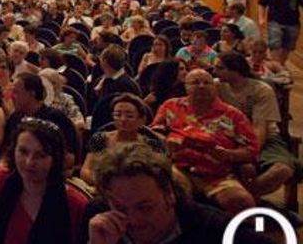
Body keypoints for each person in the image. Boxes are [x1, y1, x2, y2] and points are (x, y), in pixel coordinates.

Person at [88, 143, 273, 244]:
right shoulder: (99, 220)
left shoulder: (214, 228)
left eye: (145, 207)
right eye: (120, 208)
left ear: (169, 195)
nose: (133, 220)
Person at [0, 117, 87, 244]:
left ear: (55, 160)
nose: (29, 162)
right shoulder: (0, 179)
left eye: (41, 155)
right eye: (23, 152)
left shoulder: (75, 204)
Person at [150, 69, 258, 213]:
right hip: (179, 168)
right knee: (174, 191)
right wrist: (166, 141)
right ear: (186, 87)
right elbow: (153, 133)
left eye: (207, 82)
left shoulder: (232, 114)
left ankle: (254, 233)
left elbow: (252, 148)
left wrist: (229, 154)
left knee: (243, 202)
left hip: (217, 175)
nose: (201, 86)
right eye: (195, 82)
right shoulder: (171, 106)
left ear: (214, 87)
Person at [214, 52, 299, 198]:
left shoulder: (261, 90)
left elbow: (260, 129)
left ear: (235, 70)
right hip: (228, 138)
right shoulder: (216, 86)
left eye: (219, 68)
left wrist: (249, 155)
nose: (214, 71)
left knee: (282, 169)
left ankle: (245, 199)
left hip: (264, 139)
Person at [80, 94, 164, 185]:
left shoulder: (151, 144)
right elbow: (86, 170)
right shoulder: (100, 138)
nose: (123, 119)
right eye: (118, 115)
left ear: (142, 120)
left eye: (129, 116)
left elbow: (161, 173)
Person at [4, 72, 79, 165]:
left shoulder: (57, 119)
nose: (11, 97)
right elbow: (5, 151)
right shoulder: (15, 118)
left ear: (31, 93)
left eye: (16, 92)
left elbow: (70, 158)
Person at [257, 0, 303, 64]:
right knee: (275, 44)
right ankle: (275, 65)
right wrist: (261, 18)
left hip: (293, 23)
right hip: (274, 22)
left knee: (288, 46)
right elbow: (262, 5)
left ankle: (280, 65)